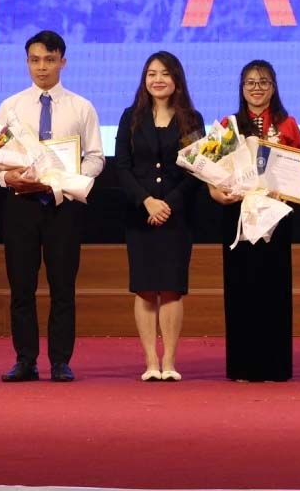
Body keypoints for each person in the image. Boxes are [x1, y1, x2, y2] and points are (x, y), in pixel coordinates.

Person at [0, 30, 104, 383]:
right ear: (27, 62)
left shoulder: (81, 107)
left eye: (50, 60)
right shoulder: (10, 106)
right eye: (35, 60)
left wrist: (69, 179)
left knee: (62, 287)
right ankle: (25, 359)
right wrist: (6, 178)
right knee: (21, 287)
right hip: (21, 205)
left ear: (62, 62)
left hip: (62, 206)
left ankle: (60, 361)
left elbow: (96, 158)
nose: (42, 67)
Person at [208, 60, 300, 382]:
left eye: (263, 82)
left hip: (275, 217)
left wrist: (284, 193)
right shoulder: (229, 125)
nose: (256, 88)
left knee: (274, 289)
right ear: (242, 88)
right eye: (250, 82)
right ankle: (242, 366)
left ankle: (276, 367)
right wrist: (216, 193)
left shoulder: (287, 124)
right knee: (241, 288)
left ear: (273, 88)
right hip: (238, 215)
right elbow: (212, 171)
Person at [115, 51, 204, 381]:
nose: (158, 79)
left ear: (176, 79)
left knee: (170, 289)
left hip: (177, 217)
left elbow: (196, 169)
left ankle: (169, 361)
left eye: (165, 73)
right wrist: (146, 202)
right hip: (139, 216)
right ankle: (151, 361)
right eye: (152, 73)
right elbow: (122, 167)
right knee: (144, 289)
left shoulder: (191, 119)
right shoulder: (131, 117)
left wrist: (168, 204)